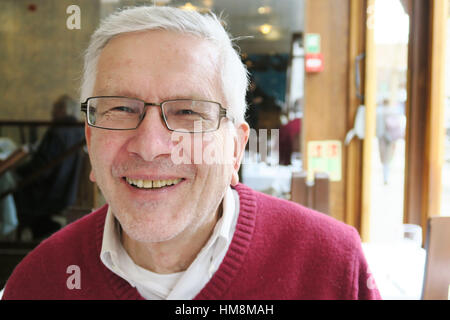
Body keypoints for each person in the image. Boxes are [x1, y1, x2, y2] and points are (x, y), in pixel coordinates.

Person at [2, 6, 381, 300]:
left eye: (188, 113)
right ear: (89, 140)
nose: (150, 146)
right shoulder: (40, 281)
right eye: (121, 109)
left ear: (235, 148)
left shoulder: (331, 266)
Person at [12, 95, 85, 239]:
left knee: (9, 188)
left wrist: (17, 171)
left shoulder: (57, 132)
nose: (52, 112)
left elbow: (40, 168)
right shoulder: (79, 131)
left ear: (63, 110)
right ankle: (44, 228)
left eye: (55, 108)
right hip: (68, 192)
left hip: (48, 192)